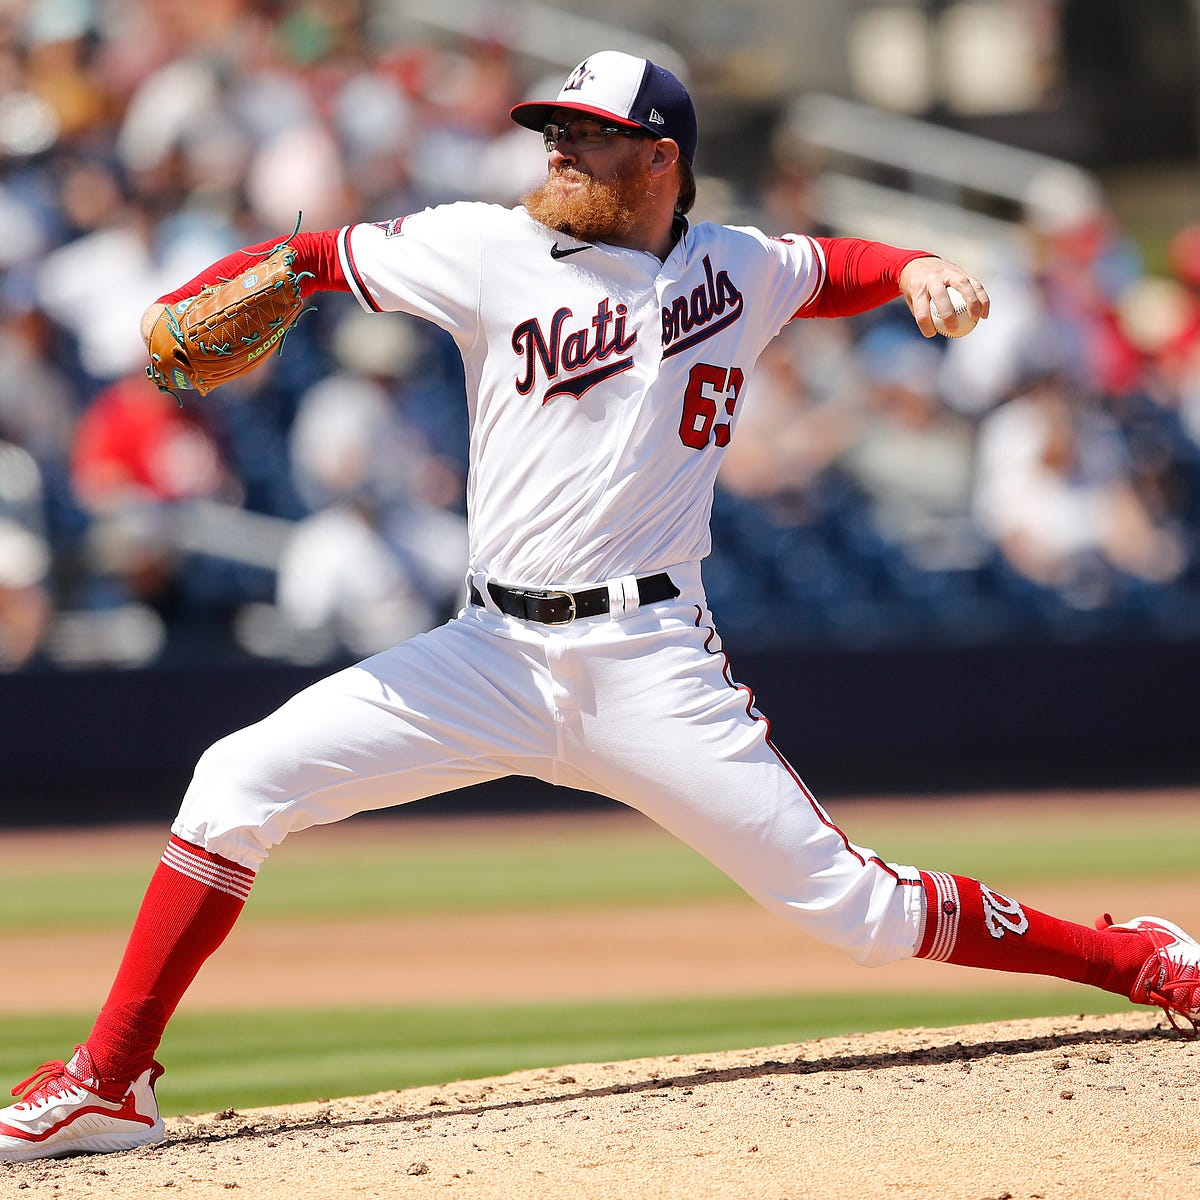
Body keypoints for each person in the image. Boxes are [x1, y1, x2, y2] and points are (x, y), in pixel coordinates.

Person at [3, 49, 1197, 1164]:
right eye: (554, 132)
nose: (559, 152)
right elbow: (309, 260)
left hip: (648, 659)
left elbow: (834, 268)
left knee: (860, 914)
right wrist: (214, 287)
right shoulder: (485, 246)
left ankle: (1140, 958)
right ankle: (113, 1078)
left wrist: (918, 269)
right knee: (233, 782)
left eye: (588, 137)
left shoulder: (735, 264)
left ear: (660, 160)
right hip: (491, 651)